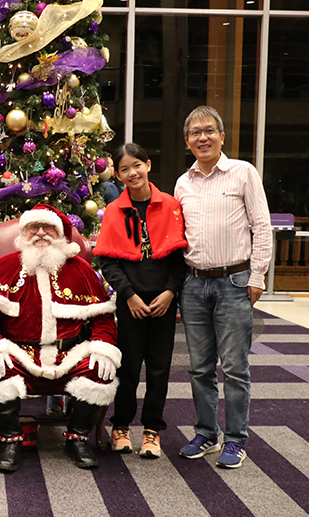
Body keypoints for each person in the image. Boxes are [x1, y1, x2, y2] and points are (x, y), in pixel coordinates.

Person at [0, 204, 121, 473]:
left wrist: (103, 348)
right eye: (33, 228)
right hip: (19, 353)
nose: (40, 233)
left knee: (100, 370)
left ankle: (77, 438)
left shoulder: (82, 270)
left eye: (48, 227)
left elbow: (103, 319)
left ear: (61, 234)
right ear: (23, 234)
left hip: (69, 355)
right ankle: (11, 441)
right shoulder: (5, 267)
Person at [174, 105, 272, 469]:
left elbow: (262, 226)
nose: (203, 137)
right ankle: (205, 432)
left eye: (209, 131)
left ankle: (235, 439)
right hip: (194, 283)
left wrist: (258, 276)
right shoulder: (182, 183)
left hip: (234, 282)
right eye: (196, 133)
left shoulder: (242, 172)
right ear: (188, 142)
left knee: (234, 367)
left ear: (221, 136)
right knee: (199, 367)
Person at [95, 143, 187, 459]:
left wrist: (171, 292)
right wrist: (129, 295)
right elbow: (109, 262)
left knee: (160, 369)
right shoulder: (113, 211)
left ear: (147, 164)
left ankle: (152, 431)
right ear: (118, 175)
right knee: (129, 368)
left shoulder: (171, 206)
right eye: (124, 169)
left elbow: (180, 258)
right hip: (130, 301)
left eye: (137, 165)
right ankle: (120, 426)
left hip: (164, 300)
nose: (132, 173)